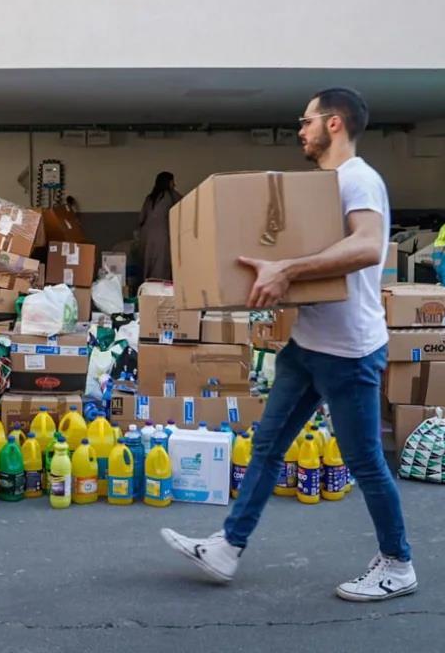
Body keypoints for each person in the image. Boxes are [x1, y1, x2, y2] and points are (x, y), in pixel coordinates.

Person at [161, 88, 416, 602]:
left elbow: (367, 247)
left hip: (347, 351)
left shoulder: (359, 178)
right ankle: (228, 547)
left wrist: (287, 270)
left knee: (363, 460)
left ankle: (398, 563)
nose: (300, 130)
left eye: (306, 121)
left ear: (335, 123)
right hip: (308, 344)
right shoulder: (324, 185)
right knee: (268, 445)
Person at [138, 172, 181, 281]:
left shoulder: (150, 198)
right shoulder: (171, 196)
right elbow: (184, 207)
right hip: (162, 236)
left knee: (148, 264)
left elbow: (141, 218)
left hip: (146, 237)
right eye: (172, 181)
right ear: (169, 182)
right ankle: (158, 293)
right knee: (161, 266)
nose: (174, 184)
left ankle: (147, 290)